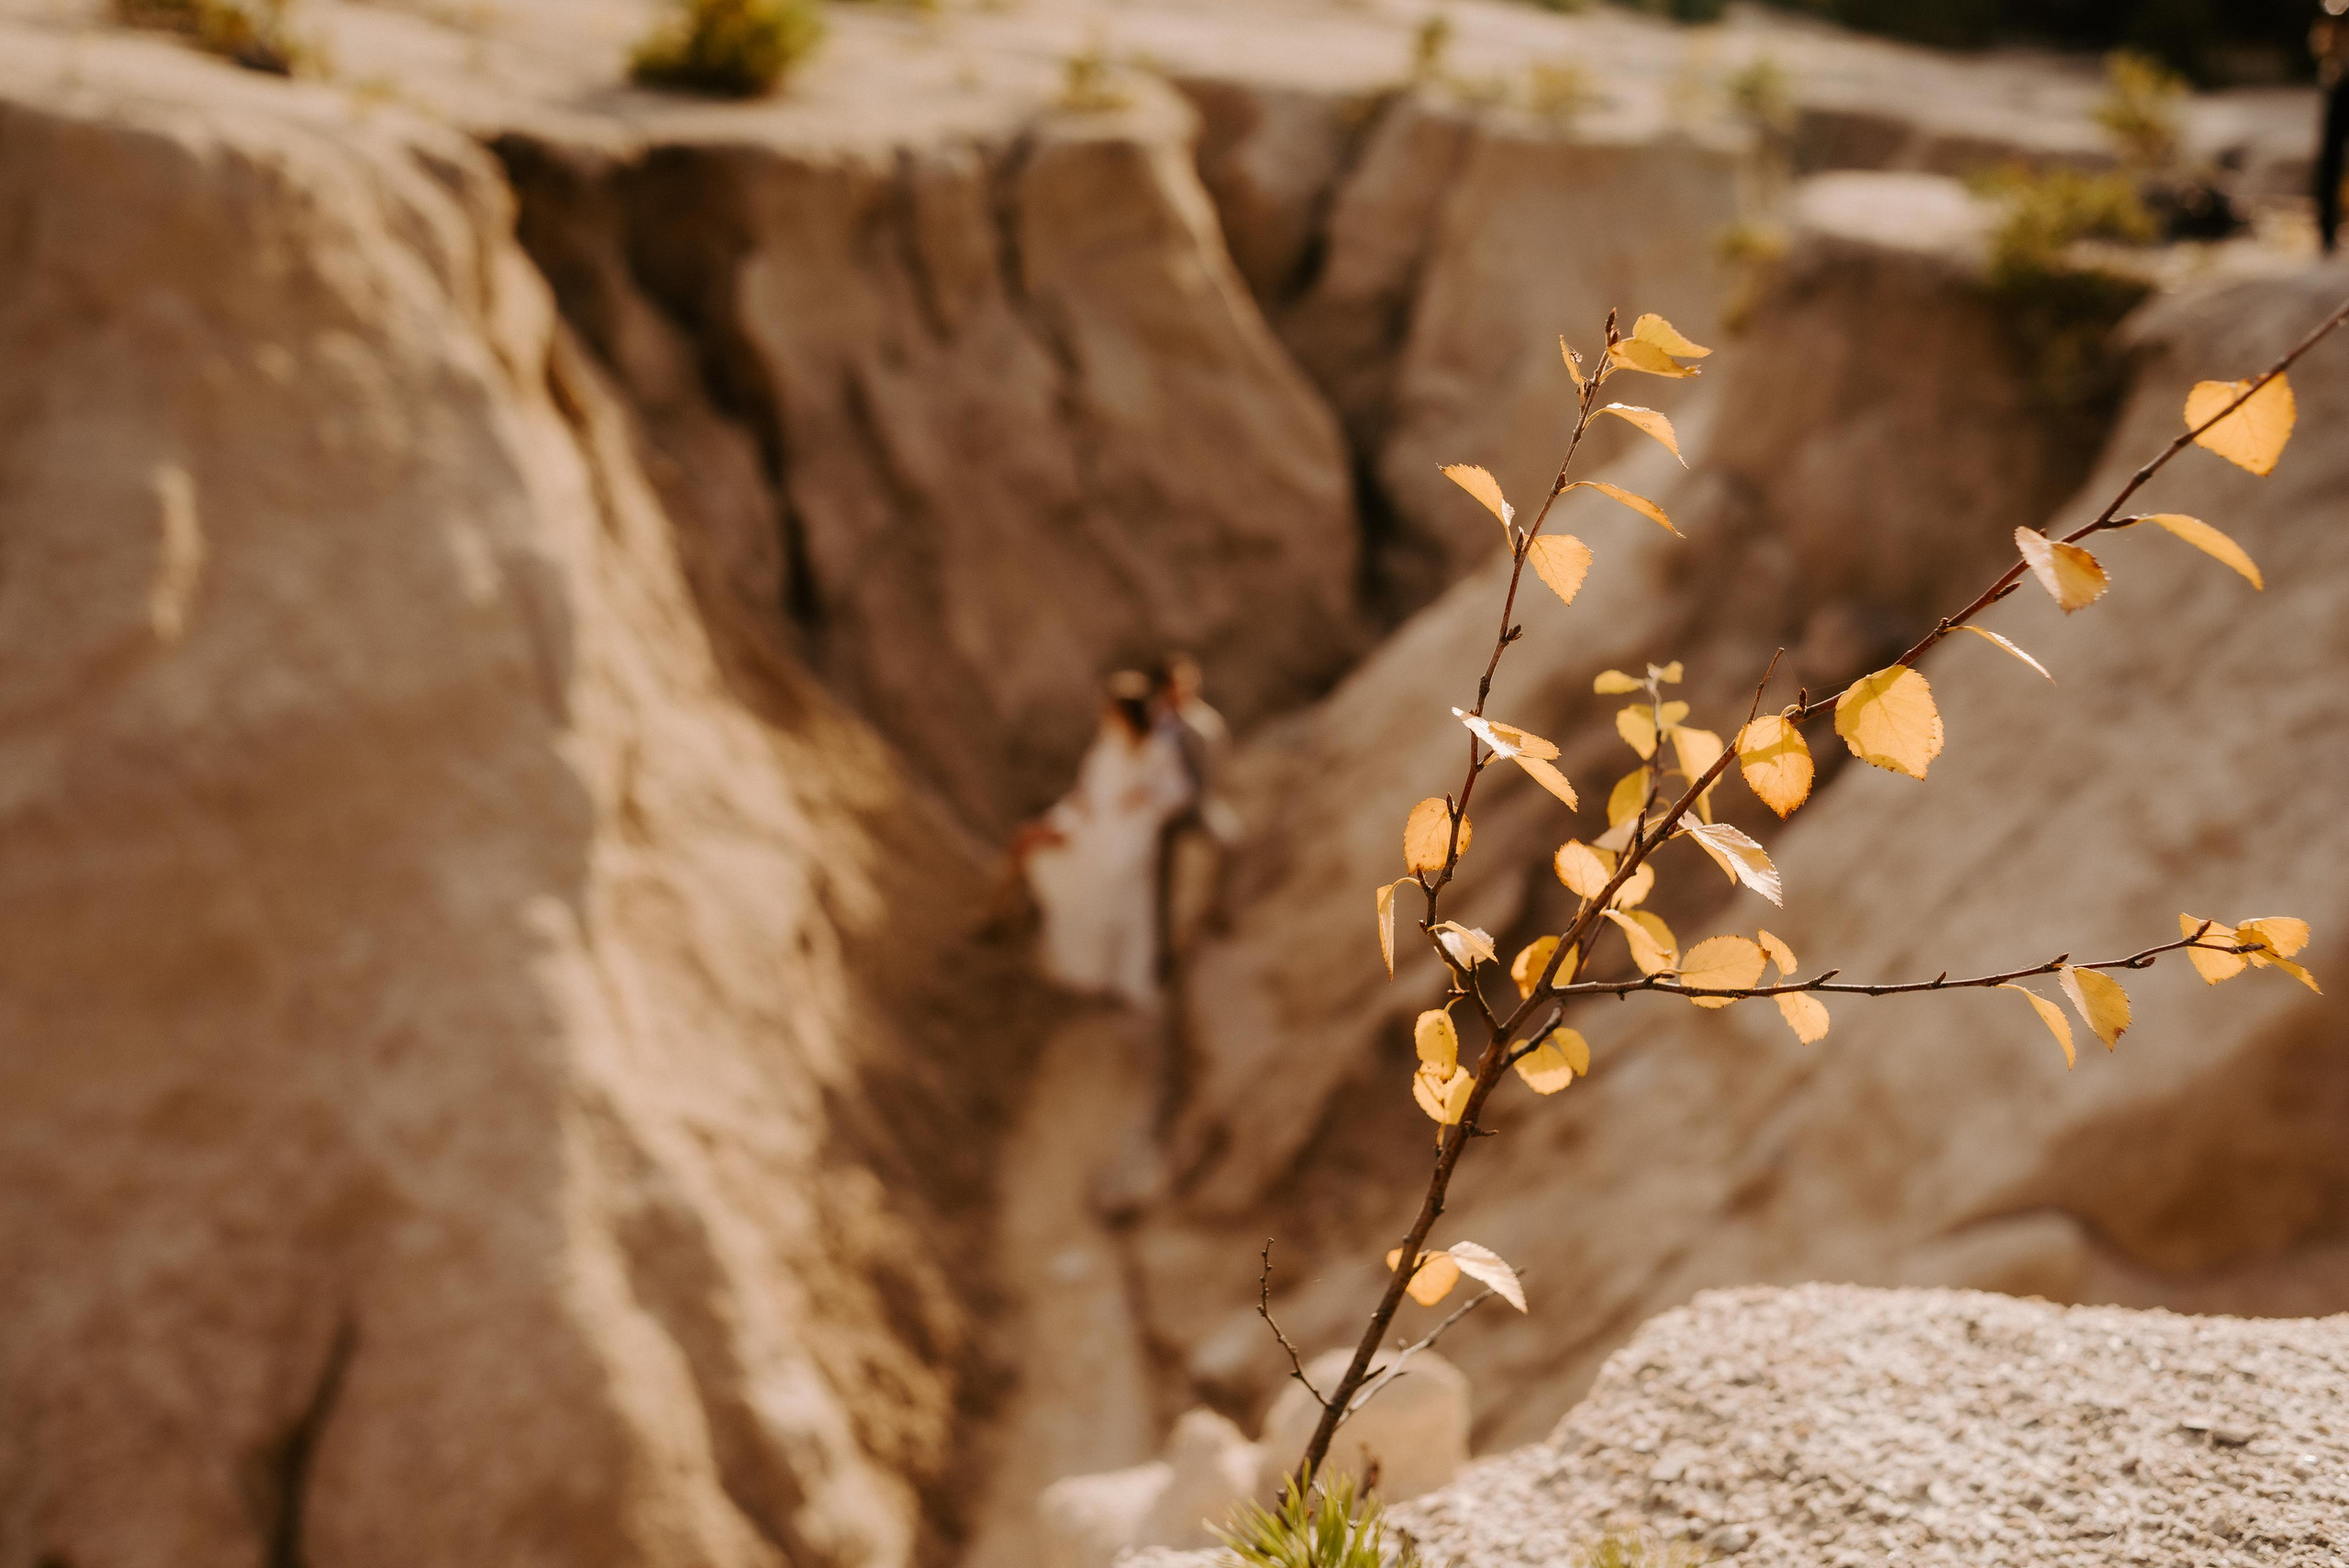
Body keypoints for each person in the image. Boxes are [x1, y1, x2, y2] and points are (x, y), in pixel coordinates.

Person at [1016, 672, 1195, 1010]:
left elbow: (1178, 793)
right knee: (1067, 865)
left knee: (1113, 875)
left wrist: (1145, 796)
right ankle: (1084, 969)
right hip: (1096, 824)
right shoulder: (1107, 746)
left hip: (1133, 832)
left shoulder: (1157, 748)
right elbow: (1087, 792)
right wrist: (1073, 815)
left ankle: (1113, 973)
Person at [1150, 653, 1235, 977]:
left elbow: (1217, 765)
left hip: (1198, 805)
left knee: (1231, 843)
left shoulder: (1204, 721)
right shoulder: (1155, 721)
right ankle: (1161, 950)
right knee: (1159, 878)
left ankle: (1216, 908)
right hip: (1161, 813)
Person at [2318, 0, 2349, 252]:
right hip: (2338, 87)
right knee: (2330, 162)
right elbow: (2320, 45)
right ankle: (2326, 233)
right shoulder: (2332, 12)